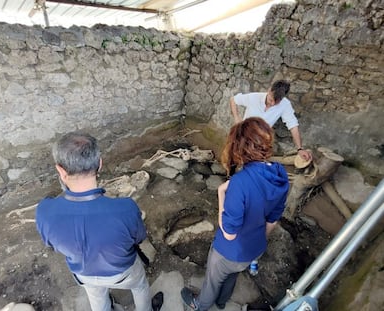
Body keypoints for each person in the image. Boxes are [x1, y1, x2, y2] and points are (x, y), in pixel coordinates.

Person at [35, 132, 163, 311]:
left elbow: (51, 245)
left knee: (96, 296)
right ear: (99, 164)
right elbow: (138, 238)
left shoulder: (44, 211)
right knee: (140, 286)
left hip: (83, 273)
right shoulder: (125, 208)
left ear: (61, 170)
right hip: (123, 273)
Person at [181, 117, 290, 311]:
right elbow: (272, 221)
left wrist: (221, 193)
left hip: (229, 251)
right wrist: (255, 242)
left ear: (240, 147)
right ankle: (222, 302)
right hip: (254, 250)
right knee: (231, 275)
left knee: (213, 281)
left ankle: (200, 305)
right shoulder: (280, 175)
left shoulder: (240, 182)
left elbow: (229, 231)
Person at [229, 80, 312, 161]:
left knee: (254, 164)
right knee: (235, 158)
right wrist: (237, 118)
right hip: (244, 136)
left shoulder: (285, 105)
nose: (272, 104)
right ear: (269, 91)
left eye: (276, 102)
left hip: (261, 142)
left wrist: (300, 149)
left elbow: (293, 126)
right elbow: (233, 100)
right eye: (271, 100)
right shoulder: (254, 97)